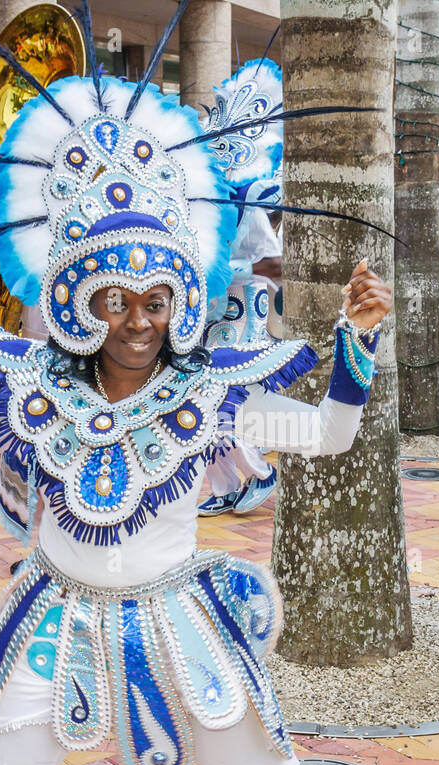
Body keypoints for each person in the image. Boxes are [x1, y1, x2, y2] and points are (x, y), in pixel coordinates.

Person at [0, 59, 388, 765]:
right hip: (52, 615)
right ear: (81, 298)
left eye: (156, 300)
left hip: (175, 617)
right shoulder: (34, 385)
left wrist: (358, 344)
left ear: (181, 299)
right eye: (115, 298)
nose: (137, 321)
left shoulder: (210, 391)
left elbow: (327, 434)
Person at [196, 58, 286, 518]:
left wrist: (223, 264)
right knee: (201, 392)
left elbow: (268, 259)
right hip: (206, 306)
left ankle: (259, 472)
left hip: (239, 303)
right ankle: (225, 484)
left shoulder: (250, 192)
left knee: (223, 393)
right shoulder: (201, 192)